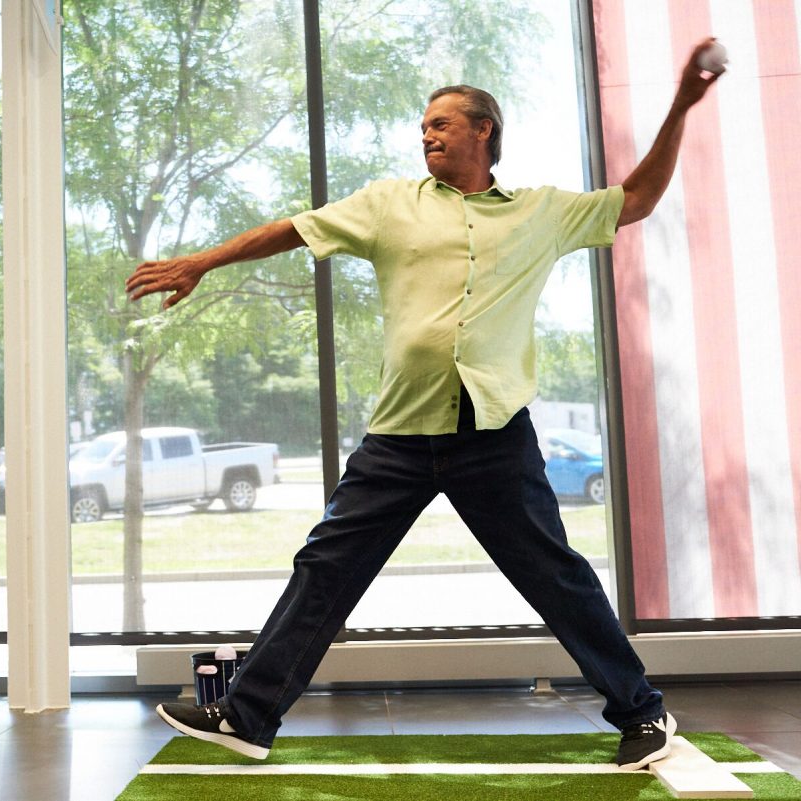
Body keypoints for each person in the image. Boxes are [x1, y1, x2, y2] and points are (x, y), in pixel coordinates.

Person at [126, 38, 723, 771]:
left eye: (441, 123)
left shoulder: (540, 213)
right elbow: (294, 228)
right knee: (326, 567)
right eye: (422, 127)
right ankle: (247, 715)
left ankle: (642, 711)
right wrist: (201, 263)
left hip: (493, 431)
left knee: (555, 575)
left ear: (483, 131)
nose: (427, 134)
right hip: (402, 431)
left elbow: (635, 200)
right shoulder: (389, 204)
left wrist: (682, 108)